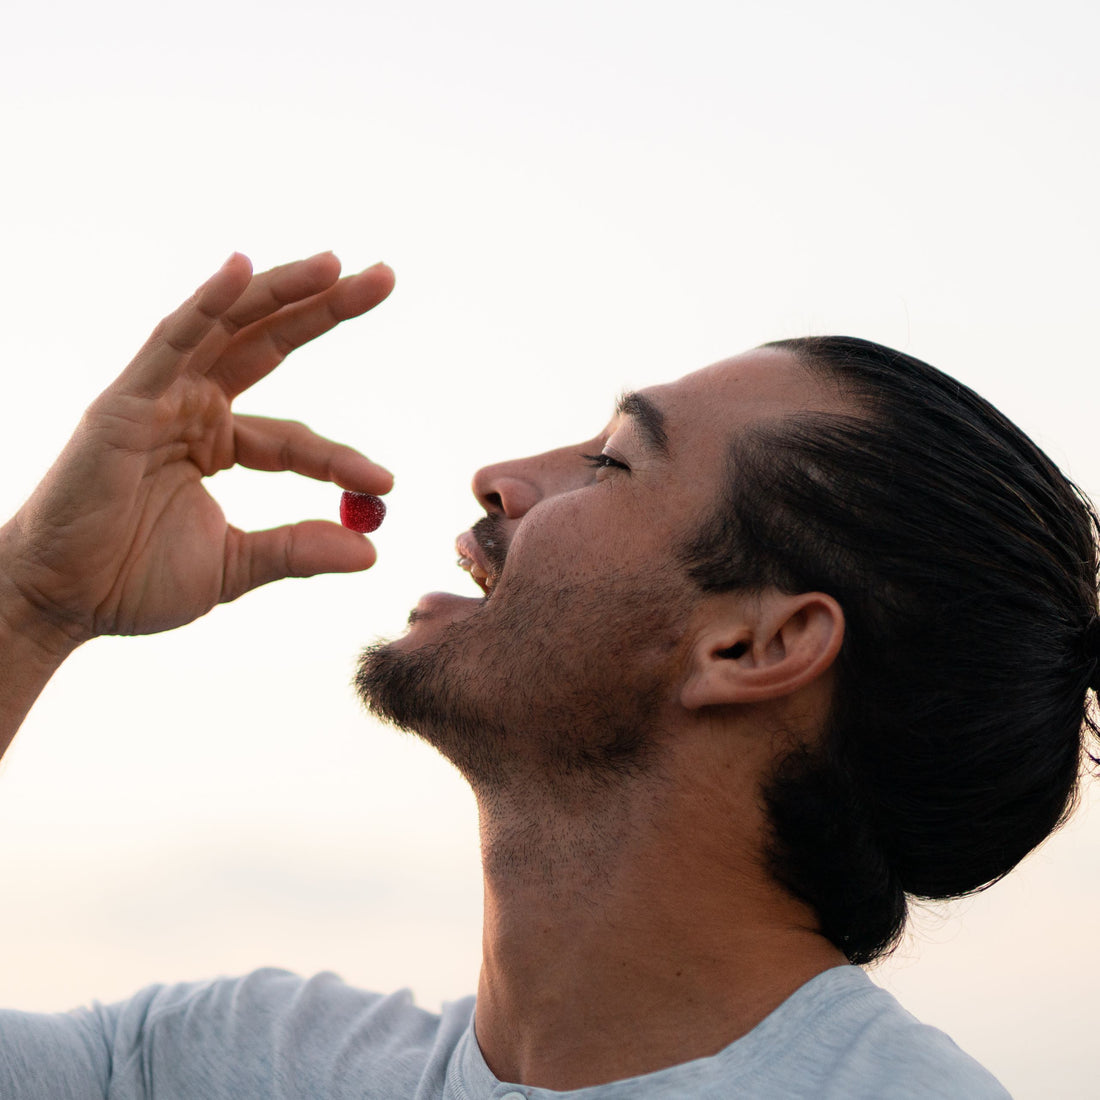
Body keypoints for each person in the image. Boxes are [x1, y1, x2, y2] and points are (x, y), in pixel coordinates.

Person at [0, 251, 1095, 1098]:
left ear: (751, 646)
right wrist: (32, 600)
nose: (499, 476)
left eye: (613, 458)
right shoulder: (225, 1060)